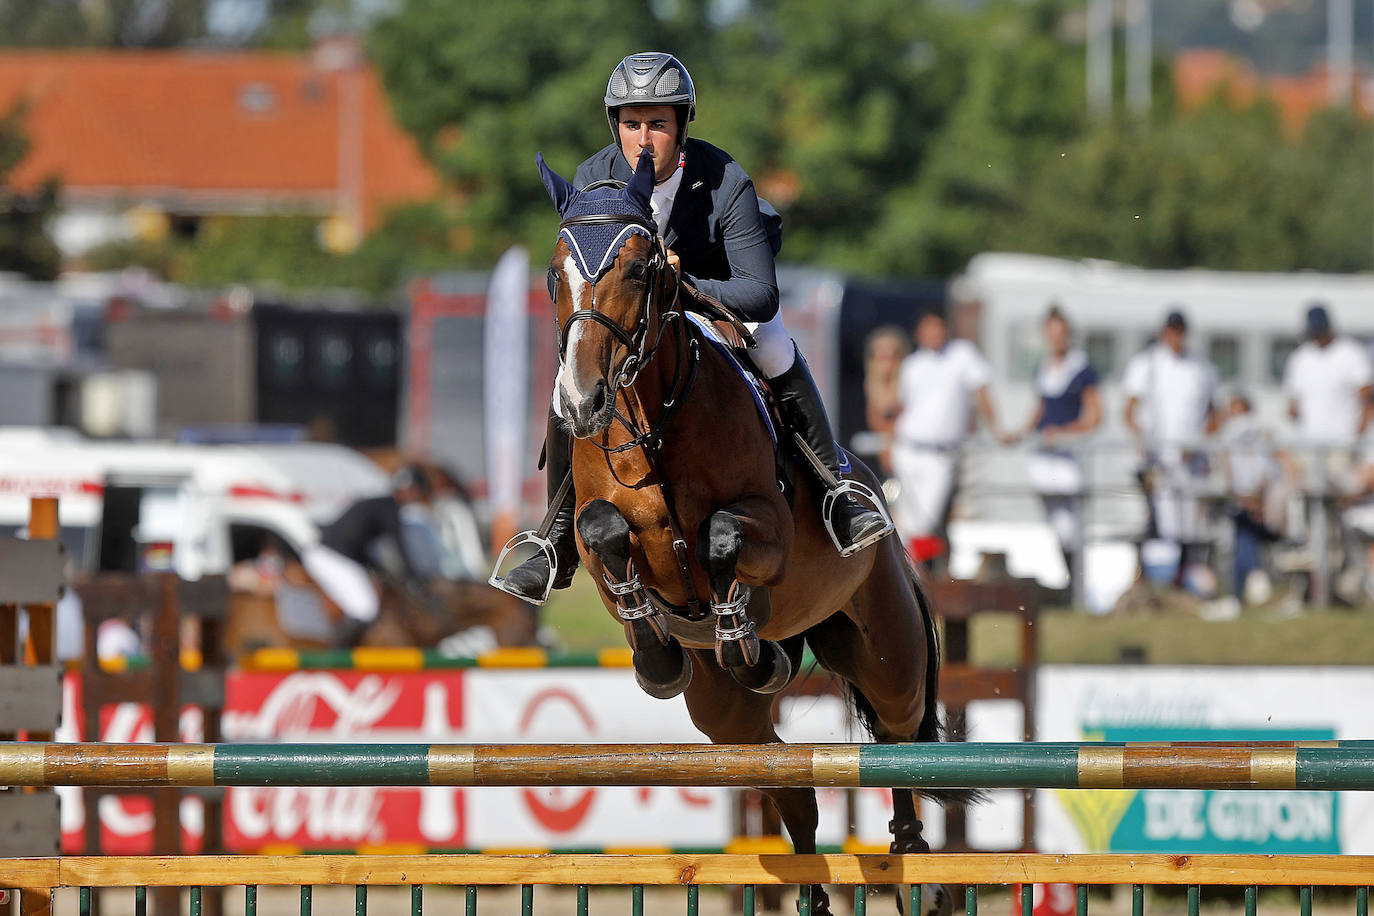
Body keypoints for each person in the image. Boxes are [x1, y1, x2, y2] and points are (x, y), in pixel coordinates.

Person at [498, 51, 893, 603]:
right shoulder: (594, 177)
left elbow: (760, 292)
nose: (643, 138)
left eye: (657, 124)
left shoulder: (724, 180)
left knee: (773, 342)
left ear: (681, 126)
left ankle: (836, 492)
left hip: (714, 301)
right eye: (632, 123)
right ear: (616, 125)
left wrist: (686, 287)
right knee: (575, 377)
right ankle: (556, 537)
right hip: (631, 317)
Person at [890, 312, 1004, 566]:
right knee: (907, 520)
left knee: (925, 521)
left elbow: (981, 390)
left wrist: (995, 428)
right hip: (908, 449)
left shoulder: (962, 355)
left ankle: (915, 576)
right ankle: (913, 576)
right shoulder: (913, 364)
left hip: (941, 454)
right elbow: (904, 406)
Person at [1122, 309, 1220, 588]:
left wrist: (1199, 441)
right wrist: (1144, 441)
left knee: (1190, 525)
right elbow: (1129, 410)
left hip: (1191, 460)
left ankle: (1181, 579)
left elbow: (1216, 414)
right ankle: (1156, 579)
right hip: (1158, 460)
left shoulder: (1201, 368)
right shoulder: (1147, 364)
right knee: (1163, 522)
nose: (1176, 337)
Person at [1282, 303, 1373, 602]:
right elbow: (1293, 406)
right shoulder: (1301, 359)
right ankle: (1316, 583)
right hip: (1310, 449)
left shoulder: (1349, 354)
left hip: (1339, 450)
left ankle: (1340, 583)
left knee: (1338, 514)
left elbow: (1366, 398)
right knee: (1307, 514)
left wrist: (1356, 439)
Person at [1007, 306, 1102, 585]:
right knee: (1056, 521)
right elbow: (1040, 406)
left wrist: (1064, 431)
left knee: (1073, 521)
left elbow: (1095, 415)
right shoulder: (1044, 367)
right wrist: (1023, 432)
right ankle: (1069, 577)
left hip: (1067, 454)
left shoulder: (1081, 368)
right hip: (1043, 453)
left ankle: (1078, 582)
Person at [301, 464, 433, 625]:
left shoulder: (382, 505)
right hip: (330, 556)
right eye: (418, 491)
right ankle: (337, 650)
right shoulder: (389, 510)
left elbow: (359, 545)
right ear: (410, 489)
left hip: (331, 553)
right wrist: (414, 579)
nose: (418, 496)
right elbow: (399, 549)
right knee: (366, 610)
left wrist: (378, 568)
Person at [861, 325, 912, 476]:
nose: (886, 363)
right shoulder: (872, 384)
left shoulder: (908, 382)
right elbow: (876, 423)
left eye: (891, 356)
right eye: (880, 357)